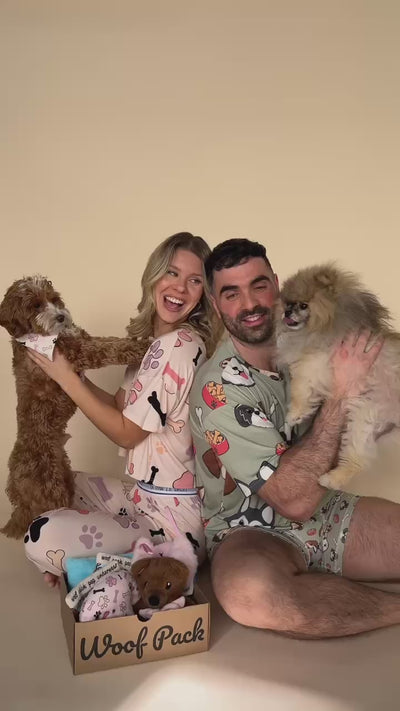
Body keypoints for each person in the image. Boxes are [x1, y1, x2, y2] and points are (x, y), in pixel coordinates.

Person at [189, 238, 400, 638]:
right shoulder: (220, 387)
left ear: (277, 285)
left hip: (328, 509)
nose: (250, 304)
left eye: (259, 286)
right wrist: (342, 393)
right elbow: (293, 500)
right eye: (232, 294)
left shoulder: (310, 340)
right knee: (249, 595)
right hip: (248, 531)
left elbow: (360, 428)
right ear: (216, 305)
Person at [25, 232, 221, 587]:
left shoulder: (179, 345)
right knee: (45, 481)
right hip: (141, 497)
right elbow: (120, 405)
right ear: (154, 276)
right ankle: (110, 564)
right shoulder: (153, 344)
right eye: (172, 272)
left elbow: (127, 434)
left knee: (42, 535)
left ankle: (152, 568)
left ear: (203, 294)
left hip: (173, 521)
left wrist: (65, 378)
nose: (180, 287)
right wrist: (74, 376)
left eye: (195, 280)